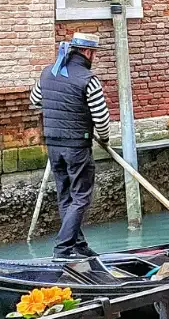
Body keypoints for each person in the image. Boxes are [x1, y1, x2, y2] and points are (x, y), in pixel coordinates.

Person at [29, 32, 112, 259]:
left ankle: (78, 246)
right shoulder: (88, 79)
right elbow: (101, 118)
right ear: (87, 52)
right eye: (94, 53)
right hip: (76, 145)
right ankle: (63, 250)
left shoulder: (47, 73)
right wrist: (104, 139)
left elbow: (35, 100)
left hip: (53, 145)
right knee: (81, 196)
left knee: (65, 195)